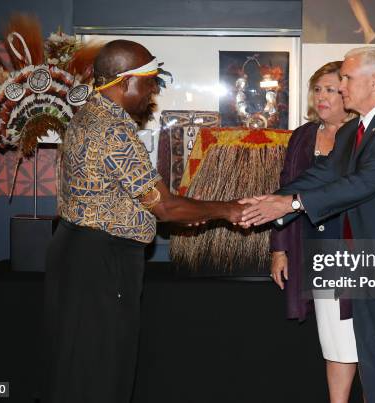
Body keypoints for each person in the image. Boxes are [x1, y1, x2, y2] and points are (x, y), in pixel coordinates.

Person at [44, 40, 244, 403]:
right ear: (124, 82)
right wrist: (228, 210)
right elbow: (165, 207)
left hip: (78, 252)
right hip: (102, 261)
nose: (154, 90)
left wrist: (192, 212)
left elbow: (137, 200)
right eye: (150, 80)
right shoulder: (112, 131)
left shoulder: (89, 115)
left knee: (78, 363)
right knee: (103, 369)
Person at [240, 47, 375, 403]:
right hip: (362, 266)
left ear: (374, 81)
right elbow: (320, 175)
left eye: (346, 78)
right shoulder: (354, 131)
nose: (341, 86)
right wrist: (271, 202)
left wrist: (293, 203)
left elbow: (362, 183)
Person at [270, 61, 359, 403]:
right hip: (316, 248)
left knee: (368, 342)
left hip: (359, 249)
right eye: (317, 89)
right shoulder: (304, 135)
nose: (322, 96)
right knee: (335, 341)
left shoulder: (365, 135)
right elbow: (285, 190)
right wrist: (279, 249)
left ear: (348, 92)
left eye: (331, 89)